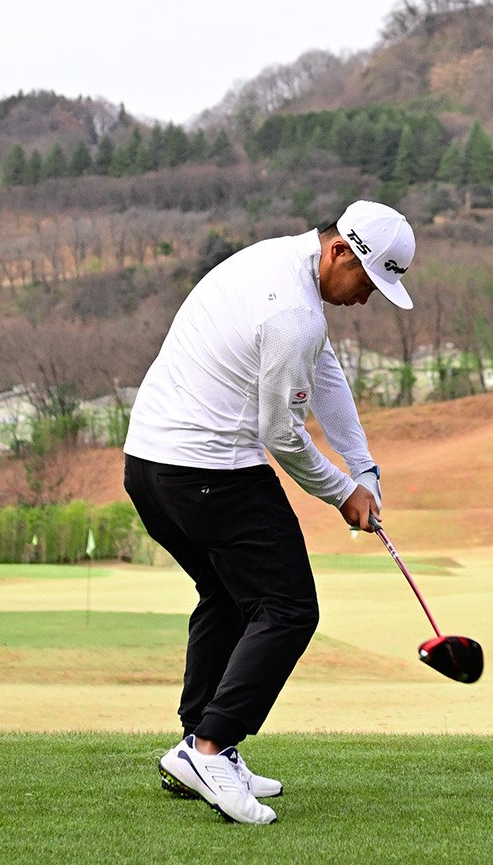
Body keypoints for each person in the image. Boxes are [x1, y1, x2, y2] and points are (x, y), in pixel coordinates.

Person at [123, 199, 415, 824]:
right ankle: (210, 747)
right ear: (340, 252)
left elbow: (325, 375)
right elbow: (281, 435)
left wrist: (365, 468)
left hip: (148, 466)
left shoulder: (282, 262)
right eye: (368, 282)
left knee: (228, 596)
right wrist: (344, 493)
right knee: (288, 608)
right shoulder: (293, 315)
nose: (367, 298)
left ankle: (197, 746)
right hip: (206, 471)